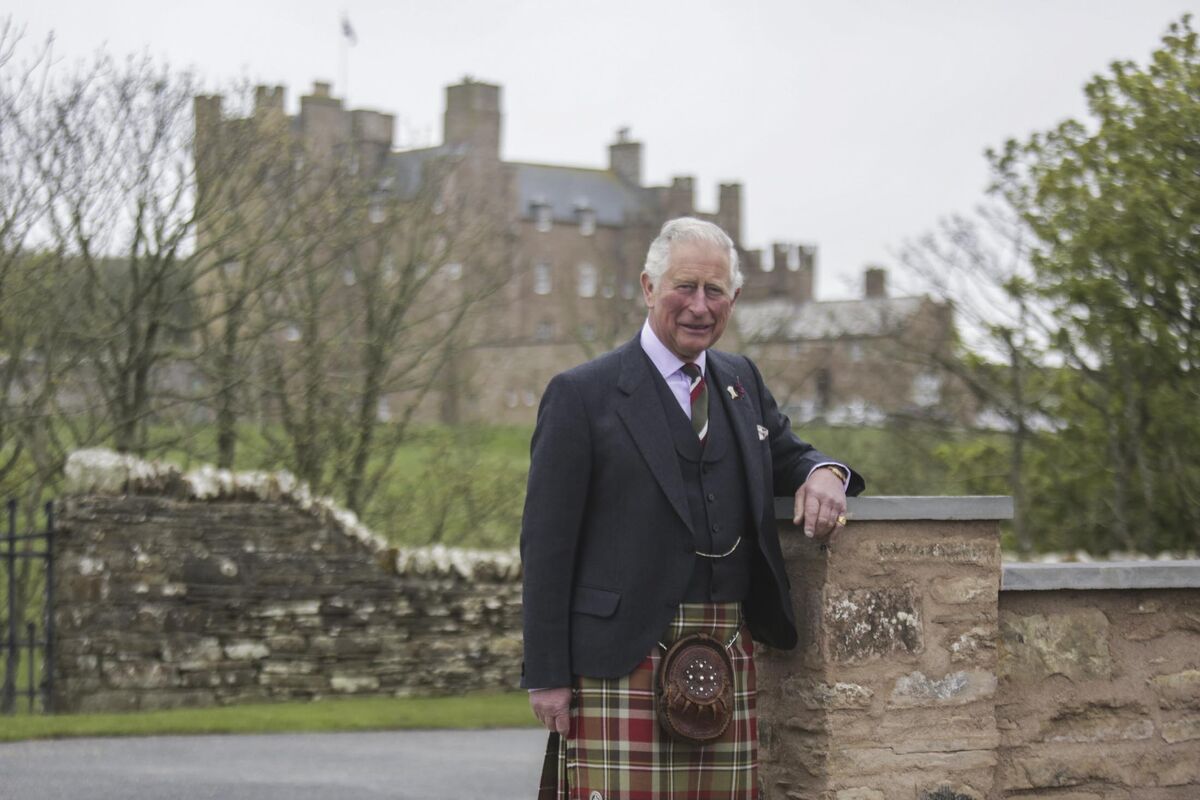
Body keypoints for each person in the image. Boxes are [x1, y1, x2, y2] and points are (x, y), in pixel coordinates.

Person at [520, 217, 865, 799]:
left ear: (734, 298)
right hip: (620, 657)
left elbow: (786, 453)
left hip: (727, 645)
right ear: (649, 287)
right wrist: (548, 675)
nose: (700, 306)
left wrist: (825, 473)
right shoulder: (583, 394)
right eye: (685, 287)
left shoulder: (739, 381)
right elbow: (546, 545)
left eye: (716, 291)